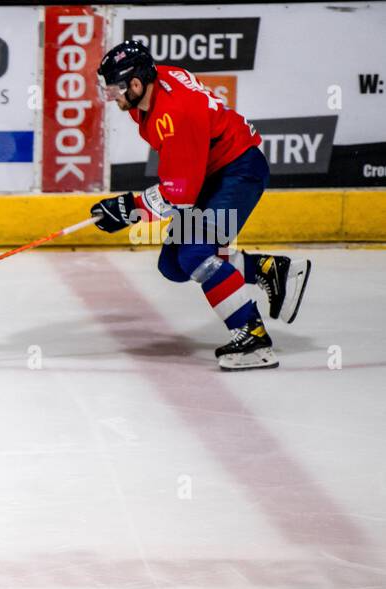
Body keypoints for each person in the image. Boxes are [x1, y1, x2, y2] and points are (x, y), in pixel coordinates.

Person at [90, 40, 311, 370]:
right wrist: (133, 207)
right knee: (174, 265)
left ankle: (252, 338)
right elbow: (182, 179)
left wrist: (129, 209)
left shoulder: (175, 113)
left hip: (238, 170)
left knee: (195, 252)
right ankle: (270, 270)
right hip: (214, 171)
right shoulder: (154, 86)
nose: (113, 98)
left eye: (115, 90)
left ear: (135, 83)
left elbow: (179, 194)